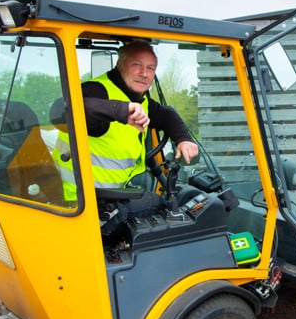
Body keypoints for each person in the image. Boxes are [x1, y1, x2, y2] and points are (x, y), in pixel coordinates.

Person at [55, 40, 199, 201]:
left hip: (109, 197)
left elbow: (167, 115)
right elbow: (62, 111)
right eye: (136, 65)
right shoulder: (97, 90)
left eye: (150, 68)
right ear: (119, 65)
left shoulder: (140, 101)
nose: (144, 73)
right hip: (75, 202)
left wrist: (183, 139)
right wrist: (121, 111)